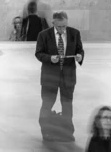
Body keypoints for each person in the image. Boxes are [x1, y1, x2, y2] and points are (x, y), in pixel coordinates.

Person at [35, 11, 84, 142]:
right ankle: (46, 132)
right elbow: (38, 54)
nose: (62, 30)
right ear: (53, 23)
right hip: (49, 78)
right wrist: (50, 58)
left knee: (67, 105)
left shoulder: (75, 33)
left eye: (64, 26)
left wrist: (79, 56)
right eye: (59, 27)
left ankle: (68, 133)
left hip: (68, 77)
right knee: (47, 104)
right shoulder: (43, 35)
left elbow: (80, 50)